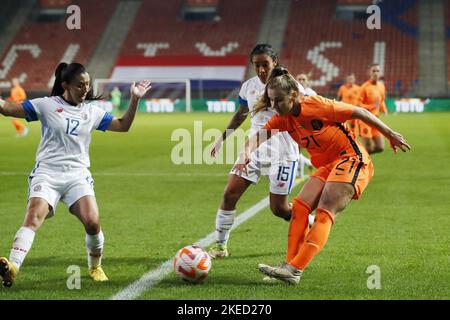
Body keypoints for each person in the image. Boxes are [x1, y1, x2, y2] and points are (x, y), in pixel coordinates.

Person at [233, 66, 410, 285]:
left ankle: (295, 269)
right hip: (328, 165)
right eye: (270, 101)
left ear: (294, 95)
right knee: (299, 207)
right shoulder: (284, 119)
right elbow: (256, 138)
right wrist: (245, 154)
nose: (273, 106)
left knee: (325, 210)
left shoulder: (317, 106)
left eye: (278, 100)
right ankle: (289, 268)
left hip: (351, 158)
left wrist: (390, 134)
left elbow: (359, 112)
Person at [0, 62, 151, 287]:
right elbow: (7, 109)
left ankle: (95, 267)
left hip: (77, 176)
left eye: (88, 85)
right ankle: (12, 267)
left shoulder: (91, 111)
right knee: (33, 218)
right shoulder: (47, 105)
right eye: (80, 85)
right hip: (47, 173)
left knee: (92, 222)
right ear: (65, 85)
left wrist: (135, 99)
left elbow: (123, 125)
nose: (85, 90)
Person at [208, 44, 311, 259]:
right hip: (253, 150)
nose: (262, 70)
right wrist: (221, 139)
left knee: (279, 209)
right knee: (229, 194)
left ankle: (308, 220)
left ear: (275, 62)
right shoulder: (248, 87)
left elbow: (309, 109)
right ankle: (220, 246)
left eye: (265, 64)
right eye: (257, 65)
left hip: (283, 153)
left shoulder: (290, 86)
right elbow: (240, 114)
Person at [356, 64, 388, 154]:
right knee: (368, 149)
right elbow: (358, 104)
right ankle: (362, 160)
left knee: (380, 147)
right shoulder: (364, 87)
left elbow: (381, 100)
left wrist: (384, 109)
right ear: (369, 73)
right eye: (373, 71)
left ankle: (361, 155)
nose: (375, 73)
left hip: (375, 119)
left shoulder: (381, 86)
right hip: (365, 120)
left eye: (377, 71)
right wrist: (372, 107)